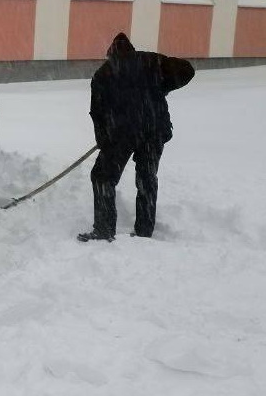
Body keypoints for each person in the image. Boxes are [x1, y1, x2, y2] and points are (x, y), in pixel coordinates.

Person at [78, 33, 194, 242]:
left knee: (103, 177)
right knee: (147, 179)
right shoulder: (151, 61)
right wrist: (162, 87)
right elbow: (187, 70)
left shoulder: (104, 74)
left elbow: (98, 112)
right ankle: (144, 231)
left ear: (110, 53)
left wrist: (103, 139)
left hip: (122, 134)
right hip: (153, 130)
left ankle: (104, 230)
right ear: (131, 49)